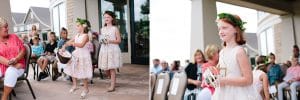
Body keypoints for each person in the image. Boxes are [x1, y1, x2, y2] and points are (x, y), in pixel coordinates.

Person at [212, 13, 259, 100]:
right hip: (223, 93)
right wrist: (213, 76)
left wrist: (225, 81)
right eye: (219, 29)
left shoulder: (239, 51)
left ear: (236, 30)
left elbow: (248, 80)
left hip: (239, 94)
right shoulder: (222, 52)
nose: (220, 32)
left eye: (224, 28)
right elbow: (223, 72)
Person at [63, 18, 93, 98]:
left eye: (78, 26)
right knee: (72, 68)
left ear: (83, 27)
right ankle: (75, 85)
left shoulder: (86, 36)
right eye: (76, 26)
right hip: (76, 54)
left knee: (83, 72)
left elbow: (81, 45)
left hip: (83, 55)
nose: (77, 27)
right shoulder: (77, 35)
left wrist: (72, 43)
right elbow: (69, 42)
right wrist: (64, 45)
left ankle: (86, 89)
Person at [0, 17, 26, 100]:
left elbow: (23, 50)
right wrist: (10, 63)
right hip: (3, 65)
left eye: (7, 26)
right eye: (5, 27)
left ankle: (4, 97)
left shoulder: (14, 37)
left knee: (11, 71)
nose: (7, 29)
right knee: (10, 69)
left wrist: (16, 59)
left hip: (19, 65)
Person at [98, 11, 122, 92]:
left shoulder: (115, 28)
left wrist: (110, 41)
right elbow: (101, 39)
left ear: (112, 18)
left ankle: (112, 86)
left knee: (112, 68)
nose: (106, 19)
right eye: (105, 17)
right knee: (106, 68)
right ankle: (113, 81)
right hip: (104, 49)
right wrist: (101, 41)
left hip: (112, 49)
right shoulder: (102, 29)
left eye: (108, 17)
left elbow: (119, 40)